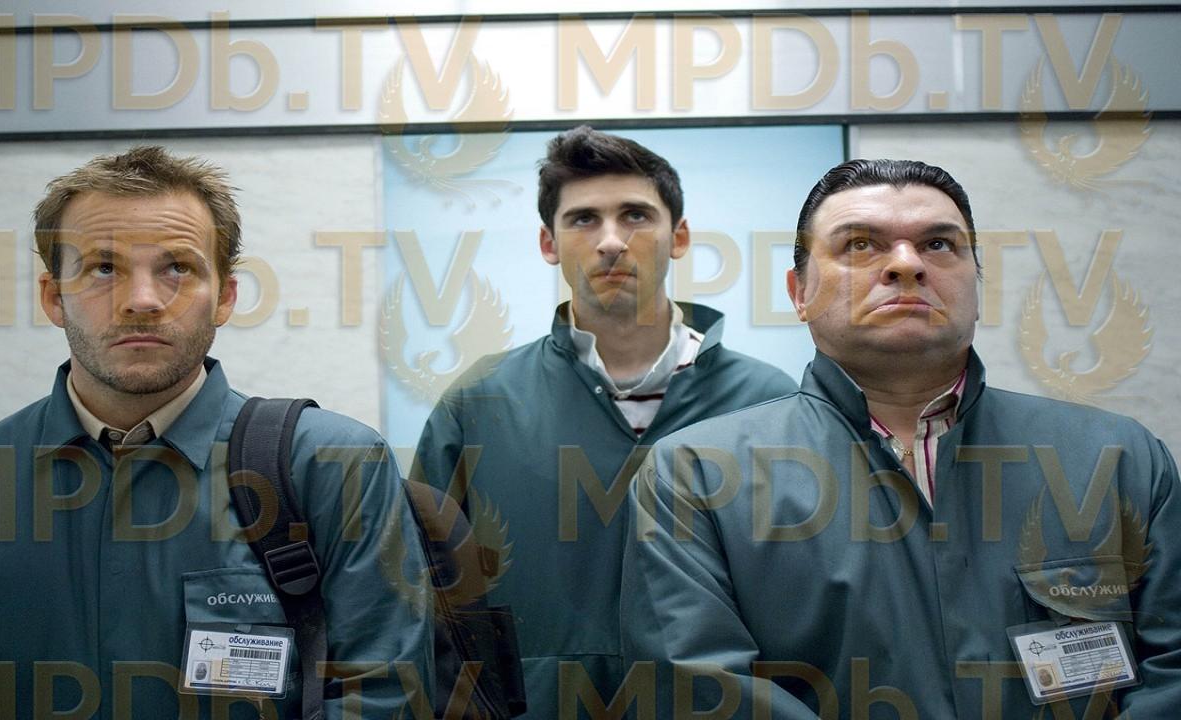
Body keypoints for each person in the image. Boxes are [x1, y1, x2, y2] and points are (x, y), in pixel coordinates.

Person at [621, 158, 1181, 718]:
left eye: (939, 245)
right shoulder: (695, 476)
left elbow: (1171, 671)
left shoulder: (1116, 459)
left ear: (977, 285)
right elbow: (701, 687)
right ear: (798, 292)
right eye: (860, 244)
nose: (907, 264)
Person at [0, 146, 432, 719]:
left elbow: (385, 696)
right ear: (54, 297)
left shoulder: (332, 466)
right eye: (104, 268)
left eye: (177, 267)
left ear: (224, 297)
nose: (142, 301)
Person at [414, 126, 797, 717]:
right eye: (583, 219)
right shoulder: (478, 404)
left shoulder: (770, 404)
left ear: (679, 237)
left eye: (636, 216)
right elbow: (421, 594)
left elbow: (805, 597)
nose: (612, 241)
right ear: (549, 243)